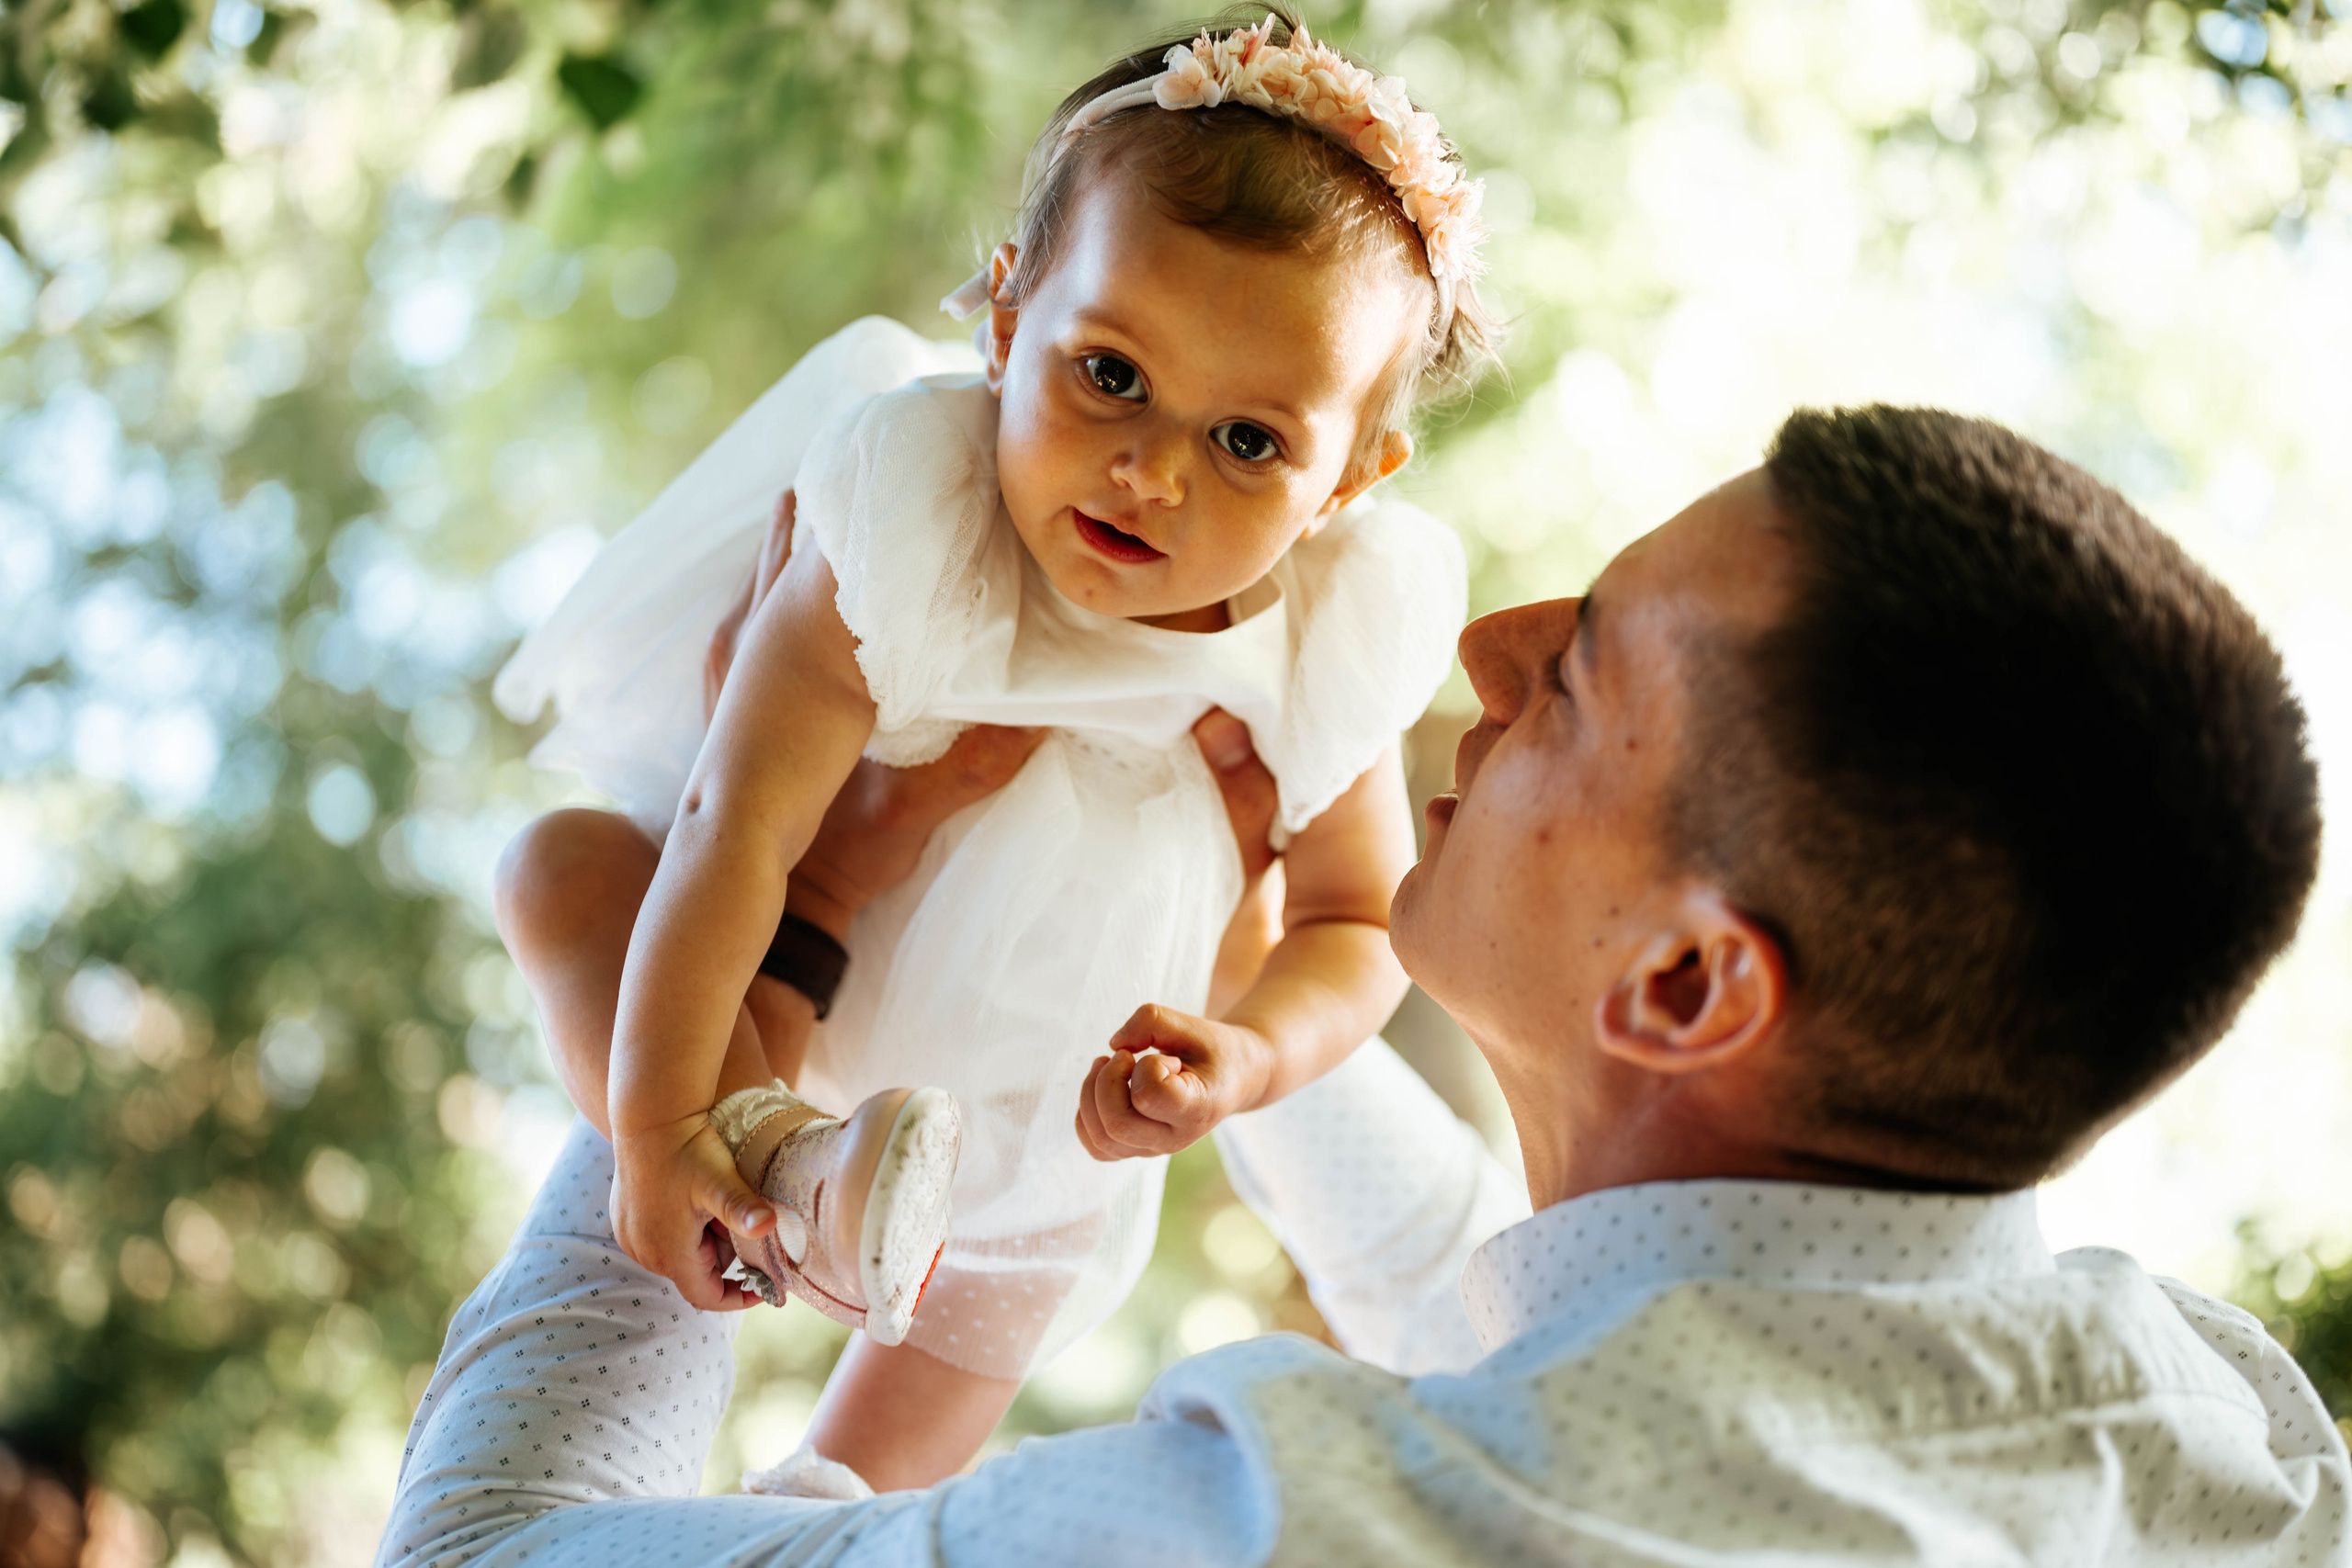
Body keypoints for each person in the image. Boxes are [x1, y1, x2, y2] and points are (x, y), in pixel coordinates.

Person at [382, 402, 2342, 1565]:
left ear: (1679, 983)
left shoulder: (1321, 1524)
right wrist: (1210, 976)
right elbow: (1557, 1334)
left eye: (1579, 670)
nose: (1484, 645)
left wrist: (791, 946)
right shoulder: (2215, 1423)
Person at [488, 11, 1501, 1495]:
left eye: (1247, 444)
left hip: (1040, 1073)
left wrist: (1251, 1051)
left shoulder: (1328, 632)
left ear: (1349, 475)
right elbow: (736, 825)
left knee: (1002, 1292)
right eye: (1109, 375)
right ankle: (767, 1155)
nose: (1151, 470)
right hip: (752, 961)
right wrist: (653, 1125)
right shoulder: (911, 517)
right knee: (560, 866)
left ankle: (839, 1489)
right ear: (1010, 322)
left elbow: (1358, 919)